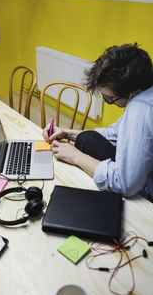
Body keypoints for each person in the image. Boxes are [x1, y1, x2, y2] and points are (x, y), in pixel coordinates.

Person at [42, 43, 153, 201]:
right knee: (86, 138)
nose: (107, 100)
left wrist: (76, 157)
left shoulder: (140, 111)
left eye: (109, 99)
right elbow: (114, 134)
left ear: (131, 93)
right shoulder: (146, 92)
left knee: (84, 151)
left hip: (147, 195)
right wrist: (68, 133)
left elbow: (125, 184)